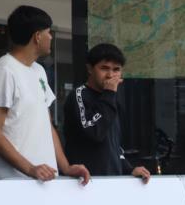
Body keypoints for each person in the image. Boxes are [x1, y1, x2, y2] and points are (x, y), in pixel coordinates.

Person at [0, 6, 89, 184]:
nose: (51, 37)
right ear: (37, 36)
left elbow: (46, 124)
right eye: (49, 32)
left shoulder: (39, 71)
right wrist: (30, 168)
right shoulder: (4, 71)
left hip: (41, 182)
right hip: (9, 183)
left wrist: (66, 167)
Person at [63, 43, 151, 183]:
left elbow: (113, 144)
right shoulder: (78, 95)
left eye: (116, 70)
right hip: (83, 184)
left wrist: (129, 169)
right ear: (90, 69)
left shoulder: (111, 100)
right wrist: (109, 94)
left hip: (112, 182)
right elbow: (94, 132)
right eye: (104, 68)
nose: (110, 75)